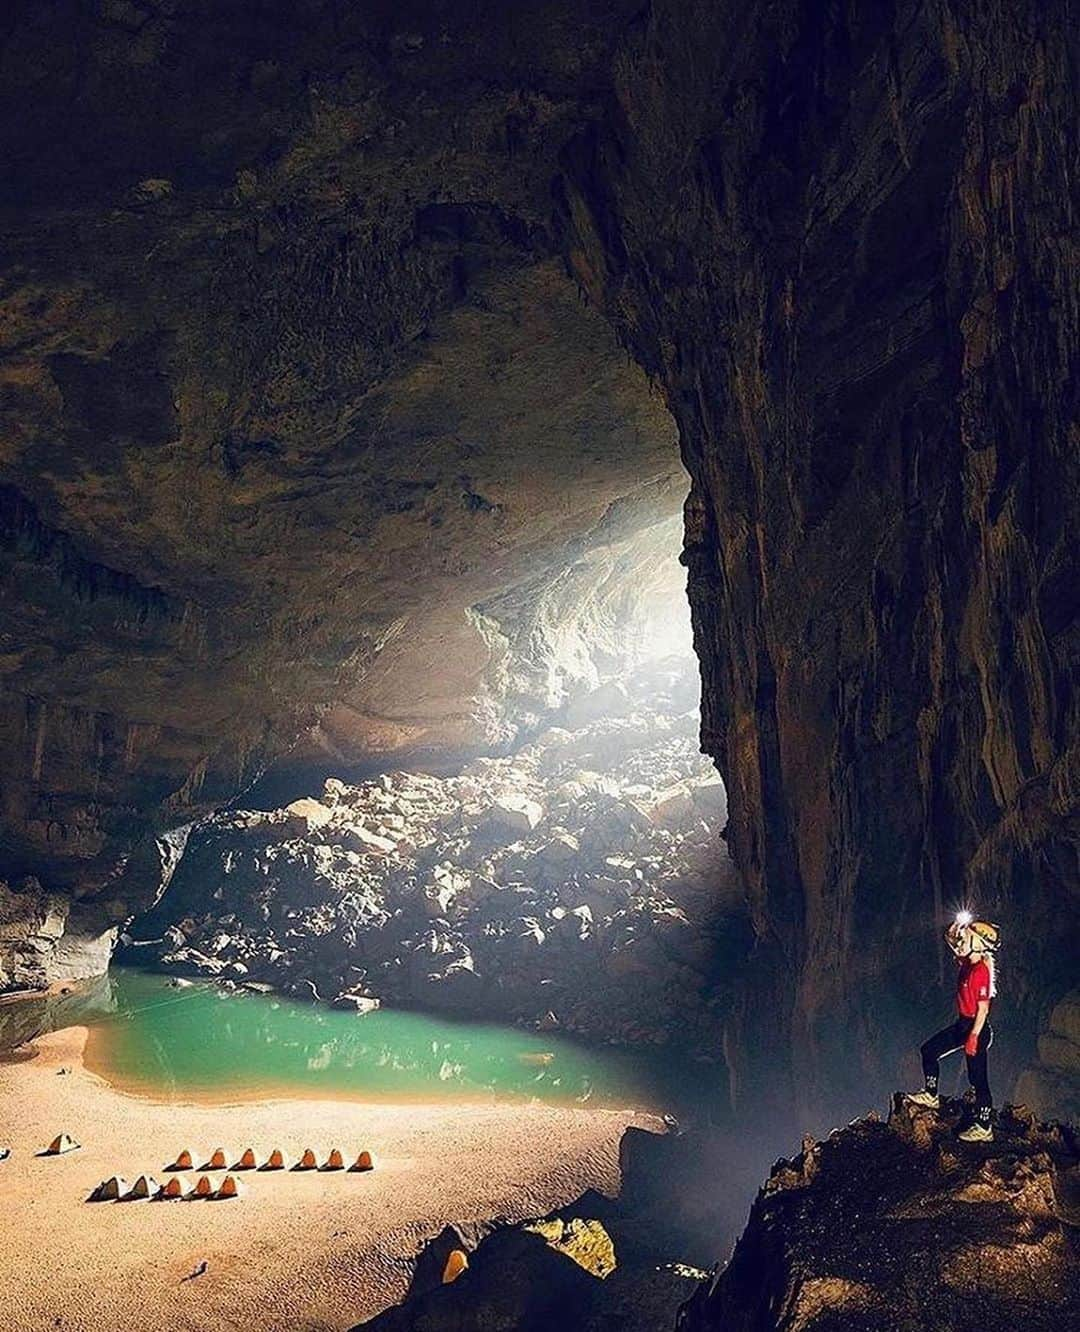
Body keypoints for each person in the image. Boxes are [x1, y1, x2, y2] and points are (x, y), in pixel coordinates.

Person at [906, 913, 1000, 1142]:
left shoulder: (980, 972)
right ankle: (930, 1094)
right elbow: (955, 944)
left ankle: (984, 1128)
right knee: (928, 1051)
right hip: (963, 1024)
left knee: (978, 1080)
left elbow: (984, 1010)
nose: (962, 942)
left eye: (967, 939)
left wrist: (974, 1037)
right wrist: (956, 928)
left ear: (977, 945)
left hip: (976, 1028)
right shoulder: (968, 962)